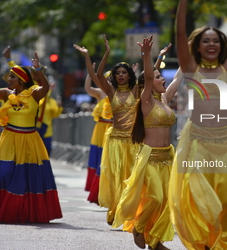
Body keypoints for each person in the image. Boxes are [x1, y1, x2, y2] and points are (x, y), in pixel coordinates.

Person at [168, 0, 227, 249]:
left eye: (216, 40)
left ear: (222, 44)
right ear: (199, 46)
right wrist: (183, 0)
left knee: (224, 205)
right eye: (206, 41)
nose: (212, 44)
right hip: (197, 143)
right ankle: (203, 244)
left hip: (226, 144)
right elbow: (180, 34)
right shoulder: (191, 67)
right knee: (198, 199)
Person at [112, 38, 180, 250]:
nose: (163, 79)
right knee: (156, 198)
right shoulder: (147, 101)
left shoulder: (165, 100)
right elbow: (149, 75)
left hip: (168, 158)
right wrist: (148, 54)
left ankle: (156, 241)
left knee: (168, 203)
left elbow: (180, 76)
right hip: (150, 158)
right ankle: (139, 227)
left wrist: (190, 55)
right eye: (159, 77)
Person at [0, 52, 62, 223]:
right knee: (5, 173)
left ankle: (26, 212)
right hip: (9, 139)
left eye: (12, 77)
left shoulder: (33, 94)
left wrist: (37, 69)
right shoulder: (7, 94)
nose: (9, 80)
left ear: (21, 79)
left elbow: (45, 88)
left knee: (28, 176)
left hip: (30, 139)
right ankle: (5, 208)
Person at [74, 38, 139, 226]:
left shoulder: (135, 91)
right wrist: (104, 53)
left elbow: (149, 77)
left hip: (133, 141)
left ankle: (131, 211)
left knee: (132, 177)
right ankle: (116, 209)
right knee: (116, 177)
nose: (120, 75)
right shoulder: (110, 92)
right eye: (118, 72)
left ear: (129, 75)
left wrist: (150, 56)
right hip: (115, 141)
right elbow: (97, 74)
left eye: (124, 73)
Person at [2, 46, 62, 155]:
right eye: (34, 72)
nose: (34, 74)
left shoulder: (46, 89)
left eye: (37, 72)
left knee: (44, 154)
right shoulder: (31, 87)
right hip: (31, 125)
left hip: (45, 127)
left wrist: (58, 105)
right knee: (29, 154)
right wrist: (9, 60)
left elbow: (55, 111)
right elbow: (17, 72)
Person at [84, 65, 113, 204]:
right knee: (98, 158)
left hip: (113, 128)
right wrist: (90, 73)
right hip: (100, 129)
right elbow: (88, 89)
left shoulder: (120, 93)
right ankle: (95, 188)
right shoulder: (100, 93)